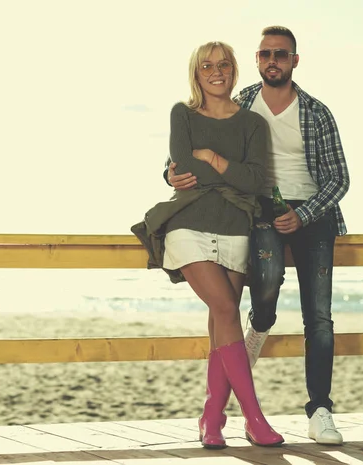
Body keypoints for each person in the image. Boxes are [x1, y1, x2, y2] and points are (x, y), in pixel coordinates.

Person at [166, 26, 350, 446]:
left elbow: (339, 178)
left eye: (281, 54)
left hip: (312, 211)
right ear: (256, 59)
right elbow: (182, 156)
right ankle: (260, 327)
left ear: (294, 61)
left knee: (318, 314)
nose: (273, 60)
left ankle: (319, 409)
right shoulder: (240, 102)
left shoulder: (316, 112)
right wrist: (171, 172)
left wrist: (302, 214)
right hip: (256, 209)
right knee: (263, 286)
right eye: (265, 53)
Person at [132, 41, 284, 449]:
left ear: (234, 70)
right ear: (196, 73)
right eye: (206, 66)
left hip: (236, 225)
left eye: (223, 65)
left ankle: (212, 419)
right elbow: (183, 166)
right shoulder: (181, 113)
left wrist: (213, 160)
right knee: (226, 308)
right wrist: (195, 169)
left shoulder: (253, 124)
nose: (215, 71)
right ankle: (254, 419)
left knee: (223, 321)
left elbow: (256, 182)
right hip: (189, 223)